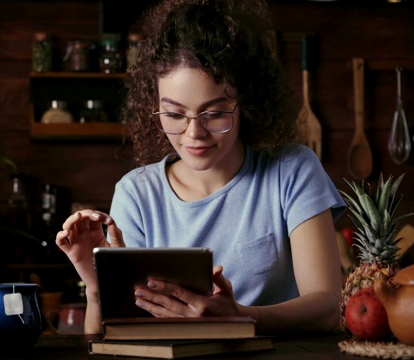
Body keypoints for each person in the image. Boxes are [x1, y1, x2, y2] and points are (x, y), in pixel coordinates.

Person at [55, 0, 346, 335]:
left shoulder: (292, 171)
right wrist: (97, 287)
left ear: (246, 102)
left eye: (215, 113)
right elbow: (114, 334)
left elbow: (327, 306)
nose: (194, 134)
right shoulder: (136, 194)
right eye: (175, 114)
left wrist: (241, 317)